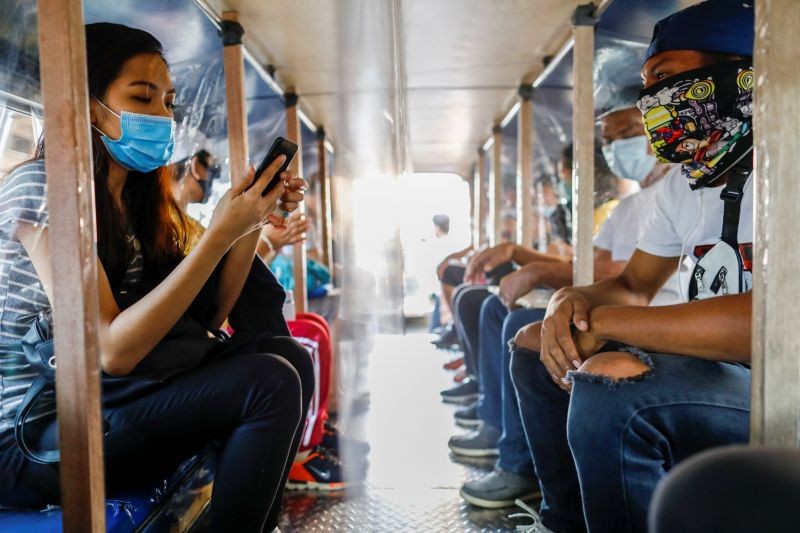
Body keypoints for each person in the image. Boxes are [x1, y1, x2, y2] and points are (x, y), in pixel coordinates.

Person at [0, 23, 310, 533]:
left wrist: (249, 224)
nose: (162, 116)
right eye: (143, 97)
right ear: (86, 103)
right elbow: (112, 350)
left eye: (168, 102)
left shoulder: (136, 205)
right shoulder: (43, 187)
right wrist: (217, 235)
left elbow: (210, 316)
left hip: (101, 402)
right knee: (269, 383)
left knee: (289, 357)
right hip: (31, 436)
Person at [510, 2, 755, 531]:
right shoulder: (681, 185)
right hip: (725, 375)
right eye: (648, 85)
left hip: (781, 382)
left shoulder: (788, 166)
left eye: (665, 78)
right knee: (537, 346)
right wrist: (568, 304)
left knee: (611, 384)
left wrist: (603, 324)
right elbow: (633, 284)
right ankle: (564, 520)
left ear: (742, 74)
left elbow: (764, 328)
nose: (652, 101)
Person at [453, 88, 679, 509]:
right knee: (520, 331)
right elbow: (593, 267)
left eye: (626, 133)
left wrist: (538, 270)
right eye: (608, 141)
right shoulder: (630, 208)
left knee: (514, 323)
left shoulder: (672, 193)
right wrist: (549, 282)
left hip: (659, 316)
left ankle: (519, 462)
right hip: (617, 308)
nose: (616, 148)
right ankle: (540, 483)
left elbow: (615, 275)